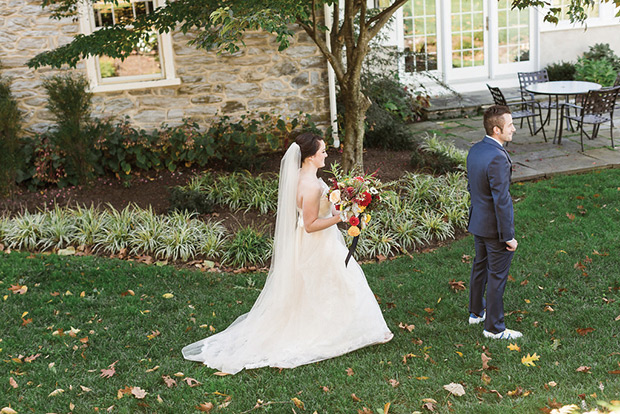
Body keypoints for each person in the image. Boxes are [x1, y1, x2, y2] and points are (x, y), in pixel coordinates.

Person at [182, 132, 393, 374]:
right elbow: (312, 224)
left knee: (314, 288)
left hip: (303, 241)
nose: (326, 154)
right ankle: (347, 331)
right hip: (318, 244)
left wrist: (345, 202)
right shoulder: (312, 186)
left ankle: (349, 327)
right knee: (342, 283)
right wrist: (340, 217)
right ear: (311, 156)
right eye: (322, 151)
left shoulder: (299, 178)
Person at [466, 105, 522, 340]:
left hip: (479, 222)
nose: (514, 129)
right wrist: (507, 235)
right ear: (497, 129)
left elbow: (472, 187)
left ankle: (476, 312)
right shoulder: (498, 158)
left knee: (480, 267)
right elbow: (502, 200)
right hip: (494, 228)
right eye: (510, 125)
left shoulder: (476, 150)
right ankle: (494, 328)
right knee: (497, 275)